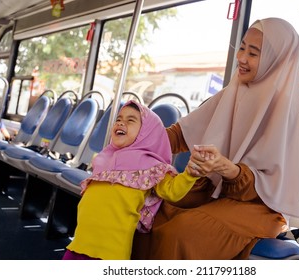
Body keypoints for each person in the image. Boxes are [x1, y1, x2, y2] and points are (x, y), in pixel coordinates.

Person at [132, 17, 299, 260]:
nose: (242, 58)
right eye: (242, 48)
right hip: (215, 190)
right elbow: (180, 134)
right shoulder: (233, 92)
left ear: (275, 60)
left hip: (259, 207)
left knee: (181, 231)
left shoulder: (284, 111)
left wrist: (229, 169)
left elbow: (270, 189)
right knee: (146, 211)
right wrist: (134, 139)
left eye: (253, 53)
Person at [62, 100, 202, 260]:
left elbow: (172, 191)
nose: (121, 123)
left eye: (130, 120)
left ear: (146, 132)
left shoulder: (153, 166)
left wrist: (190, 173)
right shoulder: (105, 157)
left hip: (110, 253)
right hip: (79, 244)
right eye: (119, 119)